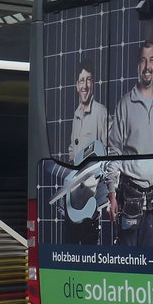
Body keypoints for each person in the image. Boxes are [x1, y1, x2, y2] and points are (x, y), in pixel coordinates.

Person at [106, 41, 153, 246]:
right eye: (143, 60)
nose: (147, 66)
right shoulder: (125, 104)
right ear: (138, 66)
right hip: (129, 197)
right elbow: (114, 151)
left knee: (150, 259)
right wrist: (112, 192)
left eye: (151, 60)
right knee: (129, 259)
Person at [64, 59, 108, 244]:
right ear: (76, 85)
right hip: (76, 194)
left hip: (93, 195)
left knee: (90, 246)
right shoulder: (76, 115)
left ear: (93, 83)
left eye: (88, 80)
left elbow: (108, 152)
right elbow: (72, 149)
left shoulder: (101, 112)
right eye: (82, 80)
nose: (85, 85)